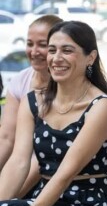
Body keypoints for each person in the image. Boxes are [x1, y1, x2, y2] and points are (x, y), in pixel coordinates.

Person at [0, 21, 107, 206]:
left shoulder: (101, 106)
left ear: (91, 57)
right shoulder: (34, 101)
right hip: (45, 199)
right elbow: (19, 162)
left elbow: (66, 173)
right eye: (52, 50)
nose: (56, 58)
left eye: (67, 50)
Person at [0, 15, 62, 182]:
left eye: (42, 45)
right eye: (29, 44)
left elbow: (45, 157)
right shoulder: (20, 81)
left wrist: (11, 196)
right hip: (18, 168)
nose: (34, 52)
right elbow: (6, 138)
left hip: (50, 177)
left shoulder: (66, 87)